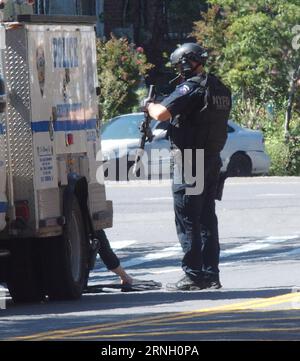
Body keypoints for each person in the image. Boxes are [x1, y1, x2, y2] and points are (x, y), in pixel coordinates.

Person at [146, 43, 232, 291]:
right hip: (211, 158)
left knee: (188, 218)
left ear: (187, 62)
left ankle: (194, 276)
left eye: (179, 66)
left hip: (191, 160)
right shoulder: (219, 87)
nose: (178, 71)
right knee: (206, 217)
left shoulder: (191, 87)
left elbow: (161, 113)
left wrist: (150, 106)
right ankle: (210, 274)